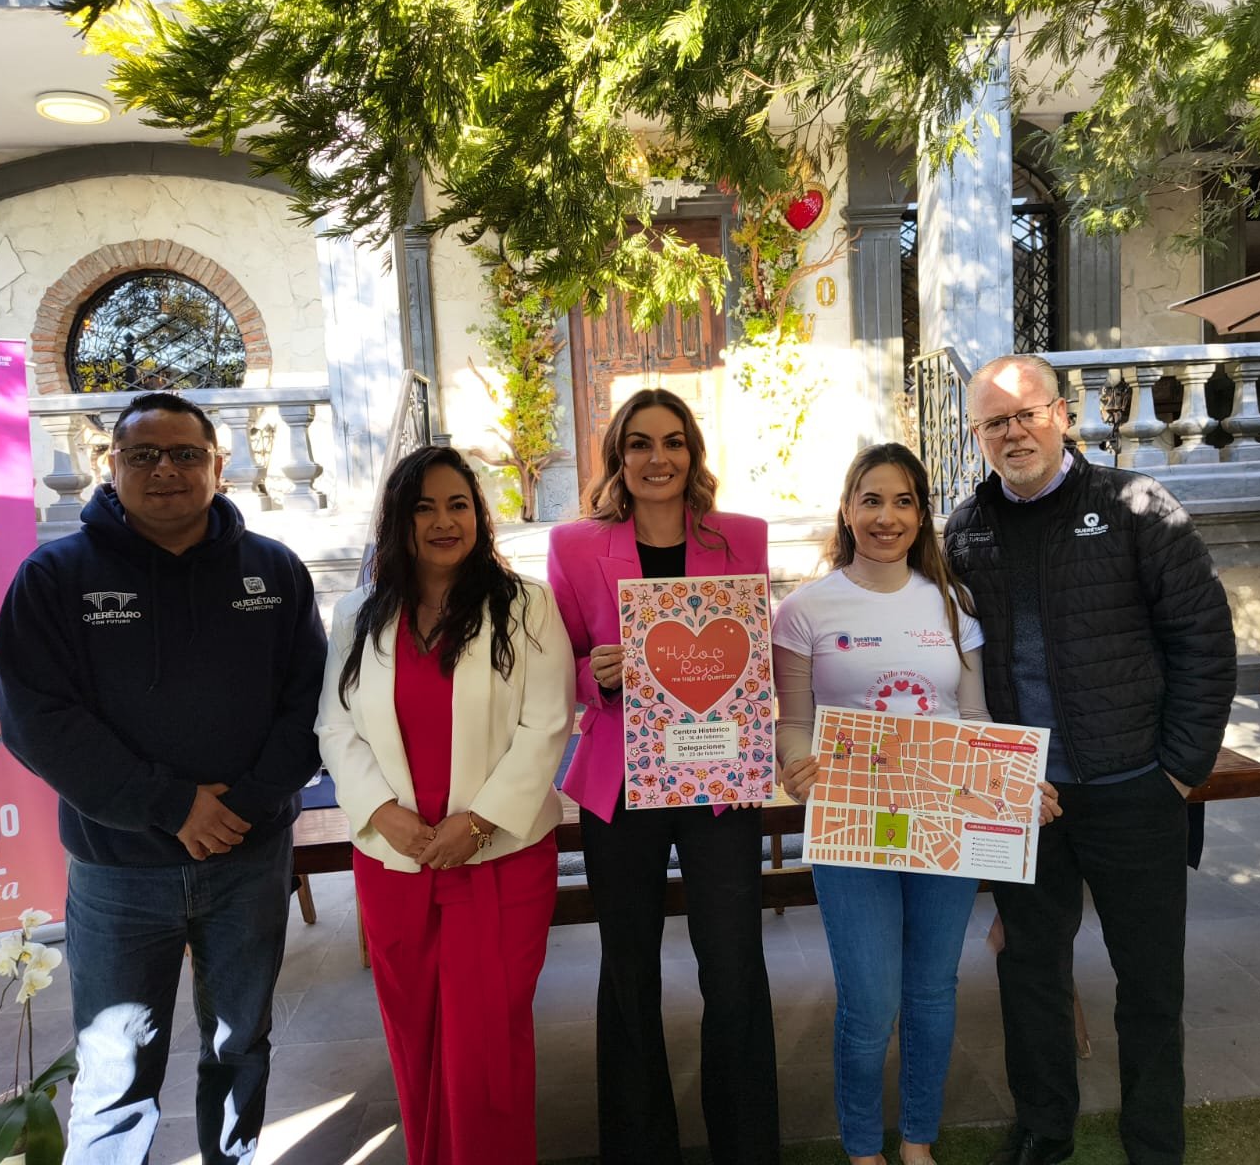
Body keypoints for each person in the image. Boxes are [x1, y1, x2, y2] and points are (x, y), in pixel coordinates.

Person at [0, 392, 325, 1165]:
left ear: (219, 464)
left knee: (241, 1048)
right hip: (119, 872)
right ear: (110, 467)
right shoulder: (53, 577)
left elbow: (313, 702)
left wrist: (243, 807)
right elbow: (38, 719)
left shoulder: (274, 571)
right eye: (143, 455)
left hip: (247, 859)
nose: (165, 470)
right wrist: (172, 806)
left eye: (184, 454)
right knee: (115, 1069)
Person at [944, 355, 1236, 1165]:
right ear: (978, 436)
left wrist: (1177, 770)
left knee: (1149, 982)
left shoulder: (1137, 506)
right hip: (1023, 797)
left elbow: (1204, 642)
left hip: (1133, 788)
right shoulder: (966, 530)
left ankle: (1154, 1140)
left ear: (1062, 415)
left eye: (1026, 414)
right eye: (994, 422)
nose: (1013, 433)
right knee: (1029, 973)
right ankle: (1044, 1130)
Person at [772, 443, 1059, 1165]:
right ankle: (862, 1148)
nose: (887, 517)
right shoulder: (804, 610)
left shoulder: (953, 604)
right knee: (870, 1003)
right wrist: (795, 766)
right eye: (871, 500)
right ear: (847, 509)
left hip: (944, 824)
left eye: (903, 502)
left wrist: (1016, 783)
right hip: (852, 828)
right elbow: (794, 721)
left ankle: (917, 1144)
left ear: (921, 514)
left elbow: (976, 719)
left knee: (932, 992)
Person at [317, 445, 574, 1164]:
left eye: (458, 504)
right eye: (424, 507)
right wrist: (381, 813)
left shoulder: (525, 605)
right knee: (416, 1033)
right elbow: (335, 726)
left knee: (486, 1039)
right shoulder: (357, 613)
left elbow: (548, 723)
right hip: (396, 862)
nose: (443, 521)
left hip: (499, 860)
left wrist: (480, 821)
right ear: (399, 521)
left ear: (479, 516)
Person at [546, 388, 780, 1165]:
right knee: (628, 971)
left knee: (735, 967)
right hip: (621, 782)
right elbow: (560, 662)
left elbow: (751, 649)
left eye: (673, 442)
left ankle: (747, 1149)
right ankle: (640, 1150)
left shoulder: (742, 538)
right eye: (640, 443)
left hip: (720, 782)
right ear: (618, 456)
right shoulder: (574, 547)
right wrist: (595, 673)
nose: (658, 458)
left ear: (692, 452)